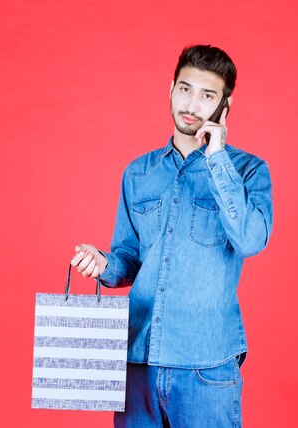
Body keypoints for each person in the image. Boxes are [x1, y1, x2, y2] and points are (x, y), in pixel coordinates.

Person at [70, 45, 273, 427]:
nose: (192, 104)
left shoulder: (248, 171)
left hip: (206, 366)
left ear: (224, 107)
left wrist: (216, 159)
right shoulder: (138, 172)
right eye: (185, 89)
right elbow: (128, 258)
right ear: (171, 89)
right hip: (136, 363)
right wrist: (103, 263)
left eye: (207, 95)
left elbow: (251, 240)